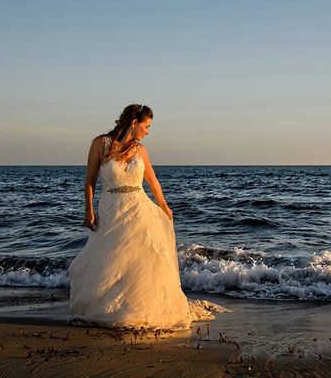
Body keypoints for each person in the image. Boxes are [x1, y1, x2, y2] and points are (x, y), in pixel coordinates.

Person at [69, 104, 222, 329]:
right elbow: (90, 180)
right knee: (111, 260)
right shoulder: (101, 144)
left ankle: (134, 308)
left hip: (139, 209)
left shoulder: (140, 151)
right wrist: (88, 210)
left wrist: (165, 207)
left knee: (138, 263)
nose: (147, 131)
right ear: (134, 122)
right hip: (111, 209)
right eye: (146, 126)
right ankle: (106, 307)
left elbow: (153, 182)